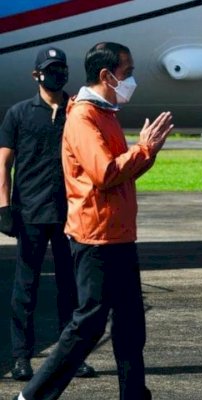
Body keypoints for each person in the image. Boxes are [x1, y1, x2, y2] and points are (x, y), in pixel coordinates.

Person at [14, 42, 173, 400]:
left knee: (131, 325)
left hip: (118, 234)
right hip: (97, 238)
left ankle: (134, 395)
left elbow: (122, 174)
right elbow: (104, 173)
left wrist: (147, 152)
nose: (131, 79)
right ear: (106, 75)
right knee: (86, 326)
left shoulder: (107, 114)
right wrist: (143, 148)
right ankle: (32, 396)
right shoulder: (84, 117)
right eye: (127, 73)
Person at [0, 46, 96, 382]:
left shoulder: (79, 113)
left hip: (70, 215)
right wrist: (3, 206)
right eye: (50, 69)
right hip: (30, 214)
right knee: (25, 290)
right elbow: (4, 163)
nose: (57, 73)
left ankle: (71, 358)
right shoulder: (20, 113)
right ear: (36, 75)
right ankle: (21, 358)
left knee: (71, 291)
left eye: (61, 68)